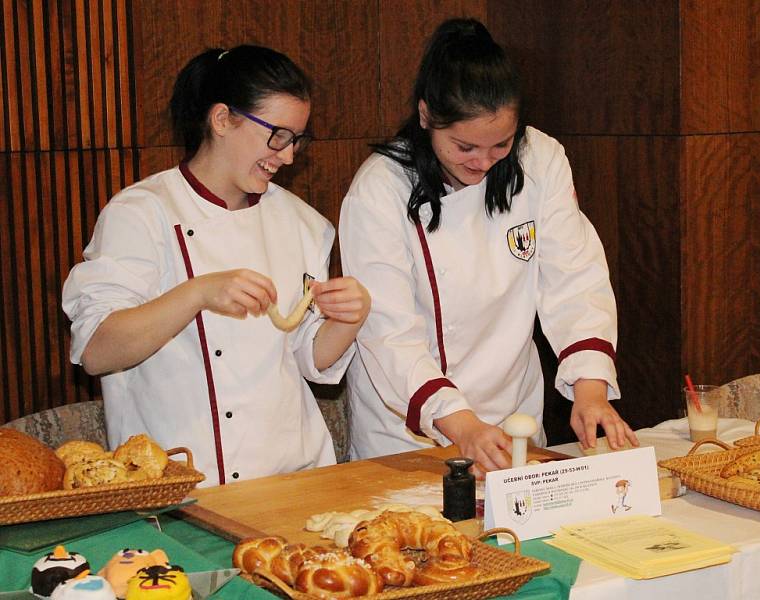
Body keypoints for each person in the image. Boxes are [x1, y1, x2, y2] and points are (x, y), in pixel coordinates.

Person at [339, 18, 638, 475]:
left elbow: (575, 278)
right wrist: (461, 424)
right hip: (406, 430)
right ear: (425, 117)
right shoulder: (380, 188)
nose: (482, 163)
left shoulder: (540, 158)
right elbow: (387, 330)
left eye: (501, 145)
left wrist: (591, 389)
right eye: (464, 147)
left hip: (513, 419)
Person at [62, 45, 370, 486]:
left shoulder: (302, 223)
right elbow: (96, 350)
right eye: (277, 135)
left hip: (293, 480)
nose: (286, 155)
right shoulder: (142, 213)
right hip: (179, 488)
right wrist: (198, 292)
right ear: (222, 119)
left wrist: (347, 318)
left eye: (296, 140)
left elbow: (309, 358)